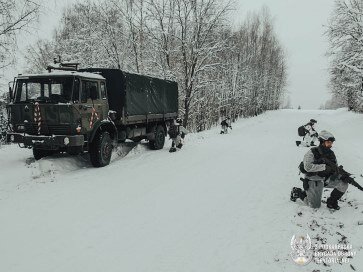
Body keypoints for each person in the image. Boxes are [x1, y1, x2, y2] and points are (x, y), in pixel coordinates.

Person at [290, 130, 362, 210]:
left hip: (325, 179)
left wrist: (341, 175)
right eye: (328, 142)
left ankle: (331, 201)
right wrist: (324, 167)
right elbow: (307, 167)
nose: (330, 145)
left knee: (343, 183)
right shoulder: (312, 152)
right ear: (322, 142)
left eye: (331, 143)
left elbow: (335, 167)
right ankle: (298, 192)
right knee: (314, 206)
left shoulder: (331, 154)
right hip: (313, 179)